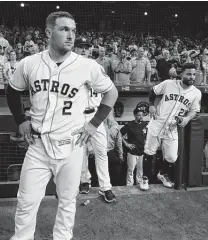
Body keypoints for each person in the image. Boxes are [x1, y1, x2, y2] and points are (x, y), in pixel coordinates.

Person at [6, 11, 118, 240]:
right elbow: (12, 89)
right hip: (37, 144)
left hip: (72, 144)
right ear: (48, 32)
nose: (70, 35)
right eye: (64, 29)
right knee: (26, 201)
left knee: (67, 201)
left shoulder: (86, 66)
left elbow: (111, 92)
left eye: (73, 30)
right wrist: (20, 120)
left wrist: (93, 124)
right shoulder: (29, 63)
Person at [140, 63, 202, 191]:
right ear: (181, 74)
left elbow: (194, 110)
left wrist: (187, 118)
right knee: (149, 151)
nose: (192, 77)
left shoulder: (196, 93)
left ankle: (162, 174)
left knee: (172, 157)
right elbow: (153, 91)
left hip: (172, 127)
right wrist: (151, 104)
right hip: (158, 123)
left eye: (194, 74)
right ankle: (145, 178)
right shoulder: (168, 83)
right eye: (189, 74)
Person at [74, 37, 116, 203]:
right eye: (80, 47)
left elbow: (109, 92)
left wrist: (109, 115)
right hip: (76, 116)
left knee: (101, 151)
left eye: (86, 47)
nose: (84, 50)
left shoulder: (96, 67)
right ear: (74, 48)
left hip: (95, 115)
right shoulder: (69, 68)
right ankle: (84, 180)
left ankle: (105, 187)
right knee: (80, 150)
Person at [120, 109, 147, 186]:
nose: (141, 117)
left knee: (140, 171)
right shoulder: (129, 125)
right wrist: (126, 144)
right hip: (132, 152)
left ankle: (139, 185)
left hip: (142, 151)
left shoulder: (145, 124)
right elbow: (119, 134)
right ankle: (129, 186)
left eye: (142, 115)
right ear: (134, 115)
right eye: (139, 115)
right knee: (130, 170)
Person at [104, 110, 124, 186]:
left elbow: (119, 142)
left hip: (110, 151)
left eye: (111, 114)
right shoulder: (99, 124)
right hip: (100, 152)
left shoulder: (116, 125)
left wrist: (120, 155)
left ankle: (114, 187)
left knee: (116, 171)